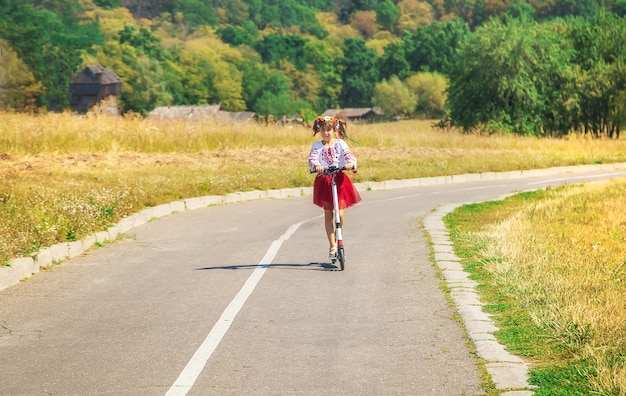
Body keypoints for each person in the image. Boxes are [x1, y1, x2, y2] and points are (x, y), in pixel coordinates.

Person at [308, 115, 362, 260]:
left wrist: (350, 163)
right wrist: (316, 165)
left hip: (339, 179)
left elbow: (348, 155)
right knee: (328, 214)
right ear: (319, 130)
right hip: (325, 180)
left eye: (329, 130)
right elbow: (312, 158)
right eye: (323, 130)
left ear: (335, 130)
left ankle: (339, 233)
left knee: (340, 213)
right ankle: (332, 245)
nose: (326, 133)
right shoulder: (317, 146)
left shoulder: (340, 144)